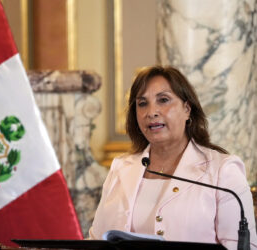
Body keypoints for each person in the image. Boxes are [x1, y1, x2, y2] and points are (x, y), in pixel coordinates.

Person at [89, 66, 257, 249]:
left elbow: (241, 247)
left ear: (187, 109)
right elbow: (96, 241)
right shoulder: (121, 168)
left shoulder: (223, 170)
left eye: (163, 100)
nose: (151, 112)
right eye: (142, 103)